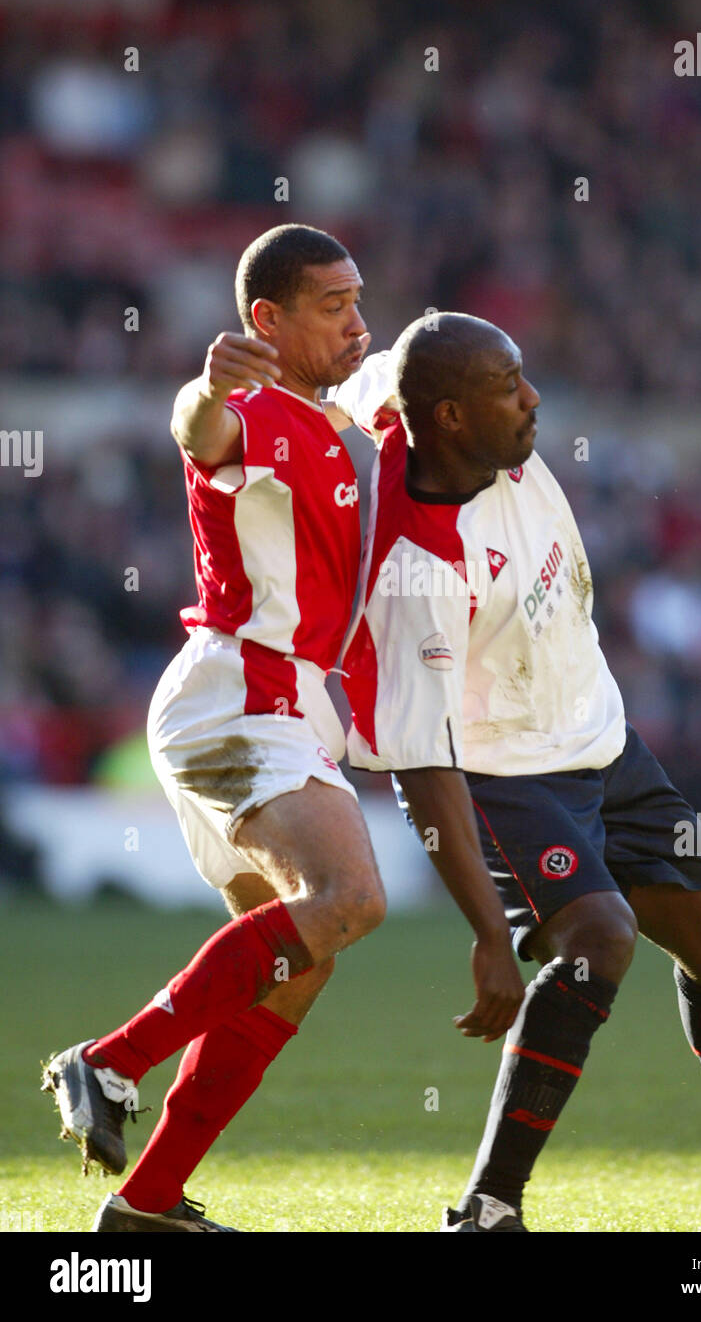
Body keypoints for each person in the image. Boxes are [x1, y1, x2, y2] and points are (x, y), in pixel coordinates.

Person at [331, 311, 701, 1233]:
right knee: (599, 939)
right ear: (451, 418)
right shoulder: (420, 569)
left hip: (604, 741)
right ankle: (488, 1210)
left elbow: (368, 376)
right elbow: (421, 768)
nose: (533, 397)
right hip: (505, 776)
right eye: (509, 387)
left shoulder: (410, 396)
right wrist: (489, 938)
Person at [41, 231, 523, 1234]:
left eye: (359, 299)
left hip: (287, 706)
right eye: (330, 304)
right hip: (240, 693)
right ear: (267, 321)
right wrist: (206, 386)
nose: (356, 320)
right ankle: (109, 1061)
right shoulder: (256, 410)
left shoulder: (335, 425)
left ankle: (150, 1201)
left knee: (301, 961)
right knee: (349, 897)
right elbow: (196, 428)